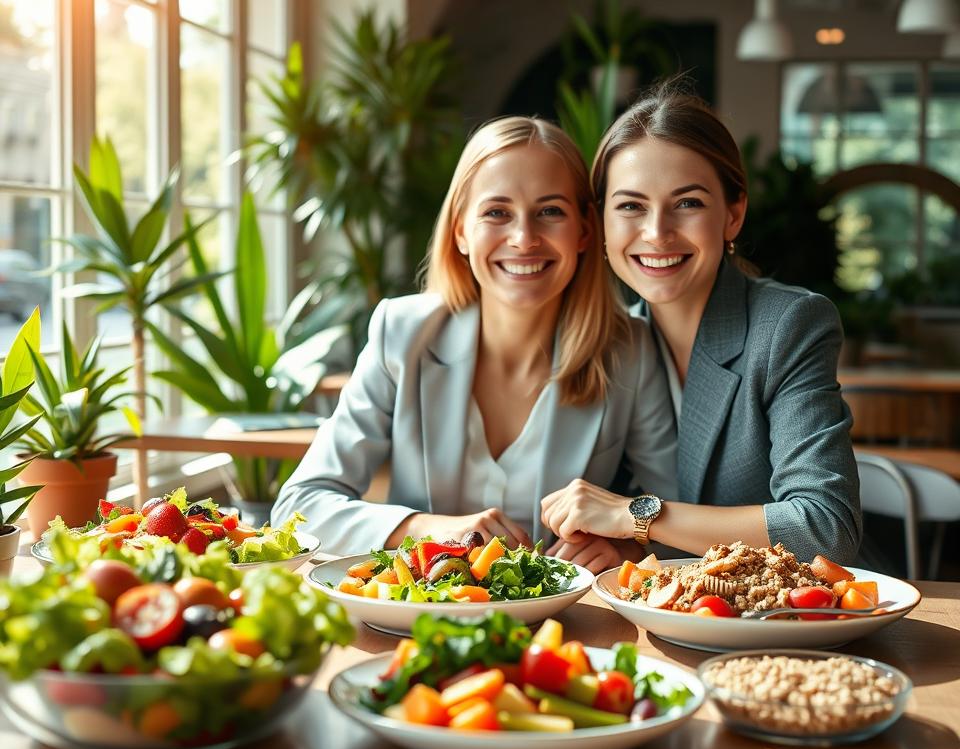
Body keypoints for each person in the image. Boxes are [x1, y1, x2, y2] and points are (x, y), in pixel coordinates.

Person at [272, 116, 677, 571]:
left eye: (550, 211)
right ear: (461, 230)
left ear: (584, 229)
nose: (524, 238)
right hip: (417, 613)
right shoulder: (401, 332)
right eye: (496, 213)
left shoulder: (631, 350)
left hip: (564, 621)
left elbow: (676, 513)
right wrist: (429, 529)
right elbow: (299, 507)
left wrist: (629, 547)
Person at [540, 83, 862, 565]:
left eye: (687, 203)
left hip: (812, 616)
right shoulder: (612, 341)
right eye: (630, 205)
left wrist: (636, 517)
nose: (656, 232)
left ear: (733, 215)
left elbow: (825, 527)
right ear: (601, 224)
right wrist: (627, 543)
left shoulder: (788, 325)